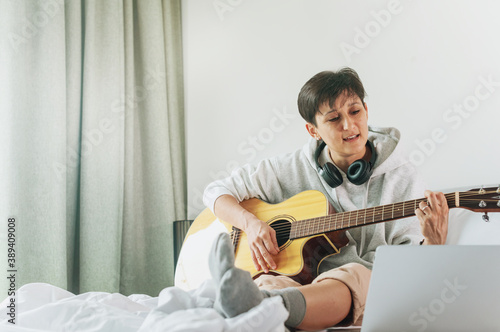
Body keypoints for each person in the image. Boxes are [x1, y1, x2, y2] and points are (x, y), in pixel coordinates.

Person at [203, 67, 449, 331]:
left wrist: (433, 243)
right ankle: (256, 304)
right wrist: (250, 223)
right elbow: (215, 192)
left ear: (366, 110)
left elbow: (411, 271)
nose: (348, 125)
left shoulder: (403, 178)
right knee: (266, 282)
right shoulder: (291, 167)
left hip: (359, 282)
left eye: (355, 112)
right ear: (313, 131)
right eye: (333, 119)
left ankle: (263, 310)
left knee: (351, 275)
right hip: (297, 281)